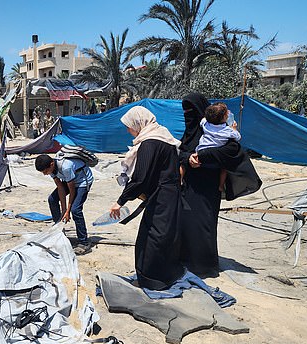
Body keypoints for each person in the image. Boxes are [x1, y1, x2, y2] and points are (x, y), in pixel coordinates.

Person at [179, 93, 260, 278]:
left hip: (210, 185)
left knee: (205, 224)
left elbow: (233, 151)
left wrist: (202, 157)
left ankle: (204, 266)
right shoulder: (195, 130)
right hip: (191, 185)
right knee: (187, 223)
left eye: (191, 111)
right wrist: (188, 158)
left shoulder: (220, 131)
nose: (188, 115)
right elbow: (182, 152)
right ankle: (185, 260)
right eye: (185, 112)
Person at [108, 106, 184, 290]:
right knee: (165, 235)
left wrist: (120, 202)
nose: (128, 130)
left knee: (151, 238)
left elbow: (141, 178)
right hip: (170, 194)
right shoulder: (165, 137)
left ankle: (152, 280)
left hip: (161, 198)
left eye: (129, 126)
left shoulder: (149, 143)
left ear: (138, 123)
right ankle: (164, 275)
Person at [35, 153, 94, 255]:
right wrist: (64, 211)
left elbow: (72, 191)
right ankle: (59, 232)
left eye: (45, 171)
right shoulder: (52, 169)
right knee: (52, 199)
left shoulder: (66, 167)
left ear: (52, 164)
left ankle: (84, 242)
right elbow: (61, 188)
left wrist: (68, 210)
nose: (45, 174)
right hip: (69, 181)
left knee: (75, 210)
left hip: (82, 181)